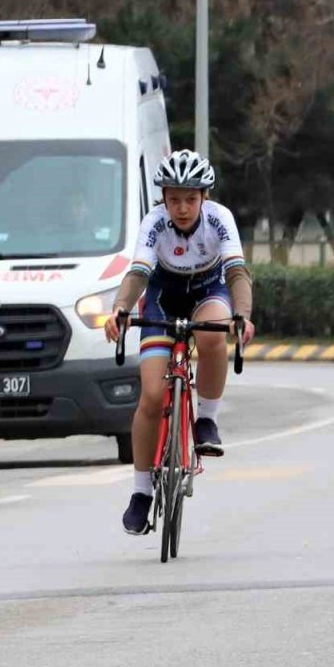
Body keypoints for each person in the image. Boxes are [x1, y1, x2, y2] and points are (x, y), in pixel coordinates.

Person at [104, 150, 255, 536]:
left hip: (209, 290)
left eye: (191, 199)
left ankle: (206, 420)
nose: (183, 208)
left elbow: (237, 272)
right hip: (162, 295)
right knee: (151, 397)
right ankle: (140, 493)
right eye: (174, 199)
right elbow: (138, 272)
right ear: (164, 199)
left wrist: (242, 314)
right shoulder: (153, 223)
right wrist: (120, 308)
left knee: (211, 332)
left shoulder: (220, 220)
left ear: (204, 196)